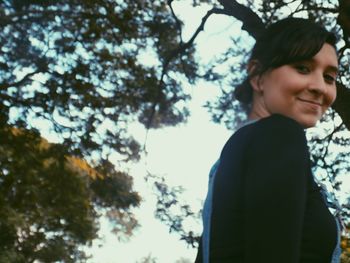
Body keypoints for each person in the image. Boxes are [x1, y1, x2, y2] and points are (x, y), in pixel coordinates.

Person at [195, 17, 342, 263]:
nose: (320, 87)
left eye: (329, 77)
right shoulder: (279, 134)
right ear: (257, 76)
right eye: (303, 68)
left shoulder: (241, 151)